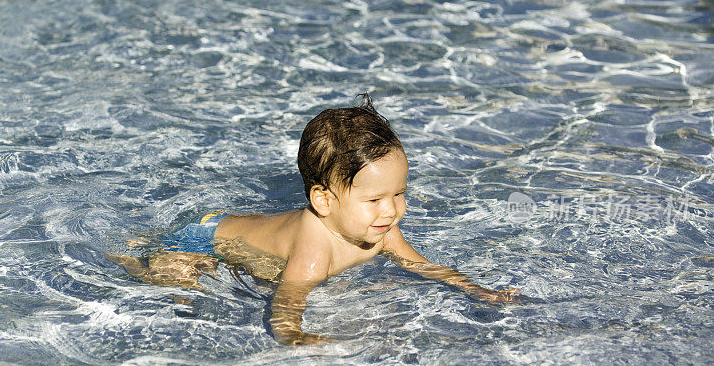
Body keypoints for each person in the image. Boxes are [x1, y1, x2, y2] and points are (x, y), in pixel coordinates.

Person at [109, 94, 522, 345]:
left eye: (400, 193)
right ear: (323, 201)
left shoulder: (381, 228)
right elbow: (286, 302)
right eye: (375, 198)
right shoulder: (313, 251)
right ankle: (128, 256)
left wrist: (477, 290)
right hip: (202, 237)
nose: (392, 209)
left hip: (234, 231)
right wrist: (295, 337)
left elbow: (419, 264)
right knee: (180, 284)